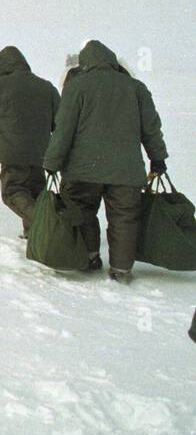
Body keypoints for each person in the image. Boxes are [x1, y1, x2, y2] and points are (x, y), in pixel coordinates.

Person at [42, 40, 168, 282]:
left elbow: (63, 130)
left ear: (85, 63)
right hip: (126, 171)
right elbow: (151, 128)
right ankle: (121, 269)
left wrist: (52, 162)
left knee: (82, 211)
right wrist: (158, 158)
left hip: (82, 170)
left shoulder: (77, 87)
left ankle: (90, 257)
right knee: (124, 217)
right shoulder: (136, 88)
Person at [0, 46, 59, 237]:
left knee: (13, 192)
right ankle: (33, 233)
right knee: (35, 192)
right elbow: (58, 122)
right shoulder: (46, 86)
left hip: (13, 152)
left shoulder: (1, 84)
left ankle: (46, 225)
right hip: (41, 152)